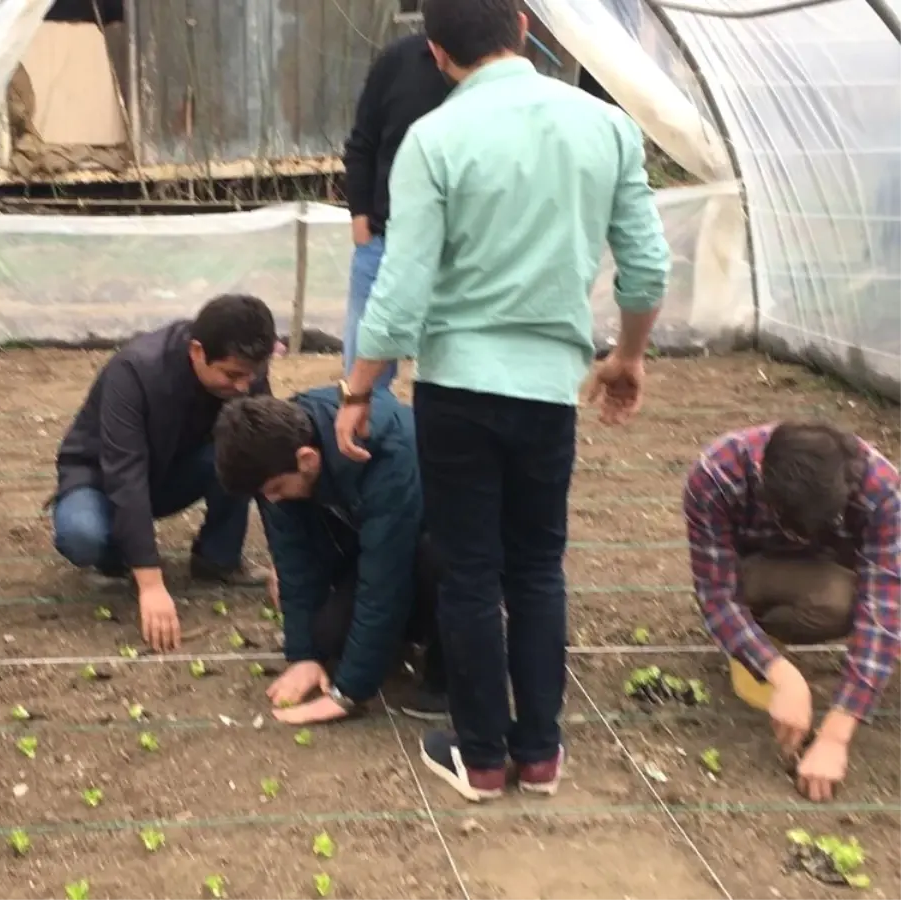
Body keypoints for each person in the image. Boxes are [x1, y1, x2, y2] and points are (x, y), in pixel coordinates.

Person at [333, 0, 670, 803]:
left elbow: (402, 286)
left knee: (470, 572)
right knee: (537, 568)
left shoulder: (435, 140)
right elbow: (647, 267)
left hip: (458, 387)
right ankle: (541, 753)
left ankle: (482, 757)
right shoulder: (604, 126)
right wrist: (626, 357)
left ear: (438, 52)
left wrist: (358, 388)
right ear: (523, 26)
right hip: (550, 388)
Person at [684, 421, 901, 803]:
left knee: (851, 600)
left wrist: (836, 733)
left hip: (832, 571)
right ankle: (759, 642)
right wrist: (781, 673)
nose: (802, 537)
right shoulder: (718, 475)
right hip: (756, 571)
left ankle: (763, 645)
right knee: (831, 598)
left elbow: (882, 607)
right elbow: (717, 596)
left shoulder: (880, 489)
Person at [52, 294, 277, 654]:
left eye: (251, 375)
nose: (243, 387)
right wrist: (152, 585)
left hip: (174, 471)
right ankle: (115, 558)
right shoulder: (136, 371)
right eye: (232, 375)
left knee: (243, 449)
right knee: (83, 534)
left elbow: (265, 454)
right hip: (101, 478)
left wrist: (288, 564)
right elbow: (125, 477)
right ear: (197, 351)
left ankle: (218, 559)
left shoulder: (247, 374)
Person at [213, 389, 446, 726]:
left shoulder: (386, 456)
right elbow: (293, 561)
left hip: (457, 544)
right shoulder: (276, 455)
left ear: (307, 459)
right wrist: (304, 654)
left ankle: (449, 675)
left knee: (435, 557)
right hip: (383, 546)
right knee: (329, 637)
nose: (272, 500)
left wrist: (347, 693)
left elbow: (384, 579)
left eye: (276, 489)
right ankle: (401, 635)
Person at [342, 31, 452, 390]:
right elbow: (363, 142)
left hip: (458, 251)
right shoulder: (397, 60)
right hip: (383, 242)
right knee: (363, 380)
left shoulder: (495, 79)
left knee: (449, 383)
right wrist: (361, 219)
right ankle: (364, 442)